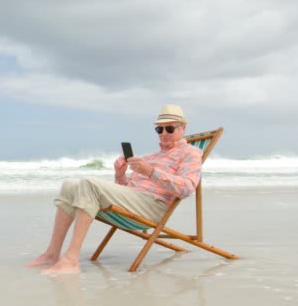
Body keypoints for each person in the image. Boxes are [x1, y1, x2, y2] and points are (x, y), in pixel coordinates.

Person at [25, 105, 202, 274]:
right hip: (135, 201)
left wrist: (150, 171)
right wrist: (120, 174)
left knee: (89, 183)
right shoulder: (151, 157)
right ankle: (52, 253)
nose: (163, 134)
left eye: (169, 129)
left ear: (182, 128)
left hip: (153, 206)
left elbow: (186, 188)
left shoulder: (190, 153)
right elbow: (124, 191)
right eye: (159, 129)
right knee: (70, 185)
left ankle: (71, 260)